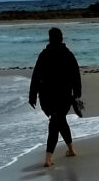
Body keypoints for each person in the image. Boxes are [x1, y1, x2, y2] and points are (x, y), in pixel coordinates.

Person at [28, 26, 83, 167]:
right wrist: (77, 94)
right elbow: (76, 75)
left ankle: (53, 156)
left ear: (50, 39)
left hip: (47, 96)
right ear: (62, 38)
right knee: (58, 120)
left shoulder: (44, 55)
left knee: (56, 120)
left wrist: (32, 96)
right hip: (64, 95)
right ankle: (65, 152)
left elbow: (36, 76)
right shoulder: (68, 54)